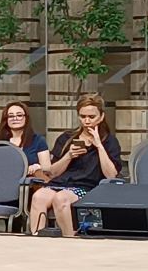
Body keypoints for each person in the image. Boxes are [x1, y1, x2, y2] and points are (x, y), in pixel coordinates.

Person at [28, 93, 122, 237]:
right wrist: (69, 156)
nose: (87, 121)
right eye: (83, 116)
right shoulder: (66, 138)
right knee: (39, 196)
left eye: (91, 117)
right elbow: (52, 173)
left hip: (88, 187)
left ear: (101, 117)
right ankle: (36, 239)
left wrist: (99, 146)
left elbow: (111, 175)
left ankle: (69, 239)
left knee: (61, 198)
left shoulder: (109, 141)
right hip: (60, 183)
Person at [0, 101, 52, 177]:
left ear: (26, 118)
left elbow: (47, 169)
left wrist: (37, 167)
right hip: (4, 180)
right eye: (11, 116)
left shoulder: (38, 140)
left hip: (30, 184)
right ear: (6, 120)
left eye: (19, 115)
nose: (15, 118)